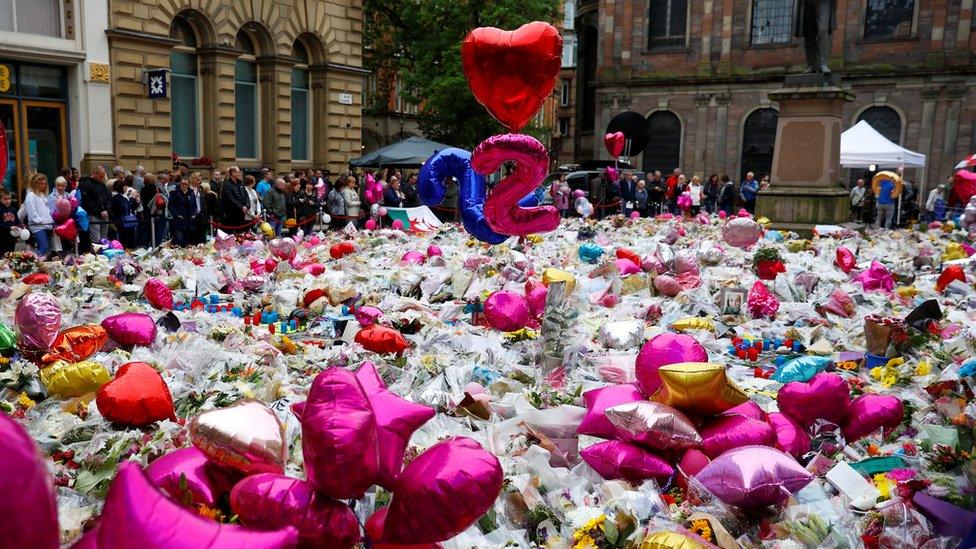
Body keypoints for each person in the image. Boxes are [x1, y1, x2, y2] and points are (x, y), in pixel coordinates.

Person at [78, 166, 112, 244]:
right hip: (94, 215)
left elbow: (108, 198)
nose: (103, 178)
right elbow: (88, 202)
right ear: (95, 173)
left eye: (103, 176)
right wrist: (100, 211)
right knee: (96, 239)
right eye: (101, 176)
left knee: (104, 238)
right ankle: (97, 253)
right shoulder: (87, 184)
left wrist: (107, 210)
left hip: (105, 214)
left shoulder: (102, 185)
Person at [25, 173, 54, 258]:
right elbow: (32, 213)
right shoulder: (31, 195)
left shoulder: (43, 195)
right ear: (35, 184)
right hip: (38, 226)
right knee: (43, 249)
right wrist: (42, 222)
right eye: (41, 184)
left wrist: (51, 221)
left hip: (47, 225)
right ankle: (37, 266)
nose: (43, 186)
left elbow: (47, 211)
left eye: (45, 184)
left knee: (48, 250)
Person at [168, 177, 197, 247]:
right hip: (178, 220)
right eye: (182, 184)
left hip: (189, 220)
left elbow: (194, 205)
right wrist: (177, 215)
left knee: (187, 240)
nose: (184, 186)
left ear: (188, 185)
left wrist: (194, 214)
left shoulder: (191, 193)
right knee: (179, 238)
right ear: (180, 184)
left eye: (186, 184)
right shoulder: (174, 193)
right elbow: (170, 206)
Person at [110, 178, 139, 249]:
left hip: (127, 220)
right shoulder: (116, 197)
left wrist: (137, 201)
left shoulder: (124, 197)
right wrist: (132, 198)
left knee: (132, 238)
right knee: (124, 239)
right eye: (125, 186)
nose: (127, 188)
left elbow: (130, 207)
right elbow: (125, 206)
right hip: (122, 221)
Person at [220, 166, 250, 232]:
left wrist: (247, 206)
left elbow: (246, 195)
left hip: (242, 213)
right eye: (238, 172)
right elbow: (230, 198)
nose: (239, 173)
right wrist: (241, 207)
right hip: (232, 214)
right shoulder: (227, 184)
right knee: (231, 234)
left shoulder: (240, 183)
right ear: (233, 173)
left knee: (242, 233)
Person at [48, 176, 73, 254]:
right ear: (55, 185)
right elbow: (52, 211)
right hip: (58, 224)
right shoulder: (52, 197)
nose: (61, 188)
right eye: (59, 185)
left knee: (68, 246)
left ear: (66, 186)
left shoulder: (68, 196)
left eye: (63, 186)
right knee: (60, 247)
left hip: (68, 224)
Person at [0, 188, 19, 255]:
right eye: (5, 199)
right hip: (2, 238)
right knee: (2, 256)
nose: (8, 201)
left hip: (11, 238)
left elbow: (17, 223)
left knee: (10, 255)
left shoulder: (13, 210)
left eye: (9, 199)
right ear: (0, 199)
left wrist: (17, 236)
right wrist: (9, 228)